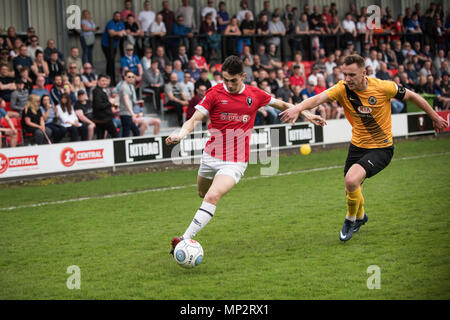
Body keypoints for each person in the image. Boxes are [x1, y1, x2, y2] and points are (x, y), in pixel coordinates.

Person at [166, 55, 326, 254]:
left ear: (243, 76)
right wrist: (180, 134)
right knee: (202, 193)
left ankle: (183, 239)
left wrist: (306, 113)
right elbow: (194, 119)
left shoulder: (254, 94)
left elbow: (282, 104)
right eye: (225, 80)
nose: (229, 85)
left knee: (212, 196)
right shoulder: (214, 93)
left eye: (233, 80)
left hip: (235, 161)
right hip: (210, 156)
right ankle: (190, 230)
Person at [280, 54, 448, 242]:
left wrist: (434, 116)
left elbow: (413, 96)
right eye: (345, 74)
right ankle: (361, 217)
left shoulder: (384, 87)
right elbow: (318, 98)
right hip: (357, 146)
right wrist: (297, 109)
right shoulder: (342, 89)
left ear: (364, 73)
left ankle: (350, 220)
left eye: (352, 75)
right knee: (350, 189)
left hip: (381, 149)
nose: (347, 79)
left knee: (351, 181)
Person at [101, 12, 127, 86]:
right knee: (110, 61)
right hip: (106, 45)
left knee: (112, 61)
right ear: (113, 16)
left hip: (114, 46)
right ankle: (109, 79)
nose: (118, 17)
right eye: (116, 16)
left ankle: (112, 79)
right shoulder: (110, 23)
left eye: (119, 16)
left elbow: (124, 33)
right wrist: (119, 32)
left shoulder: (121, 23)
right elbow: (111, 33)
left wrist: (118, 32)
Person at [92, 75, 118, 139]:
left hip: (103, 118)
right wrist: (110, 102)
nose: (104, 83)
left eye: (105, 81)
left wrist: (112, 104)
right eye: (102, 81)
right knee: (115, 135)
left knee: (101, 137)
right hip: (104, 119)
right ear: (98, 81)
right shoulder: (97, 91)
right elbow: (99, 105)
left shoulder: (101, 90)